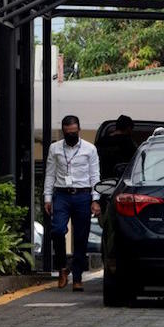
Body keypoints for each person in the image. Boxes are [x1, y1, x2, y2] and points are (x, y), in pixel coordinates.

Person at [43, 115, 101, 291]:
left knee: (81, 238)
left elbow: (95, 176)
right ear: (63, 132)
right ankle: (62, 268)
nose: (71, 136)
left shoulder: (90, 149)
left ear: (79, 130)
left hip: (83, 195)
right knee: (58, 230)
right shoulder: (55, 149)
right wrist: (47, 197)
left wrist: (95, 199)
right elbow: (50, 174)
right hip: (61, 195)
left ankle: (77, 277)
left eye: (74, 133)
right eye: (68, 133)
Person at [96, 114, 138, 180]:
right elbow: (136, 158)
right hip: (122, 179)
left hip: (103, 178)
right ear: (128, 128)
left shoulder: (102, 140)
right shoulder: (128, 142)